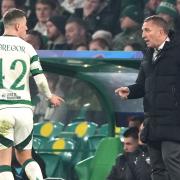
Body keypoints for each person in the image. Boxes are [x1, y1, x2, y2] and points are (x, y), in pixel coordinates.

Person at [0, 8, 64, 180]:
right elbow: (40, 79)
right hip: (24, 111)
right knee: (26, 158)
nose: (27, 29)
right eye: (26, 26)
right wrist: (50, 97)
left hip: (3, 111)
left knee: (3, 162)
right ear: (18, 25)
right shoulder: (28, 48)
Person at [115, 15, 180, 180]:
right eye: (142, 30)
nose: (143, 34)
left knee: (171, 159)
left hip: (174, 120)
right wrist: (129, 91)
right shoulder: (149, 55)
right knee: (157, 167)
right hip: (154, 121)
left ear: (161, 31)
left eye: (147, 30)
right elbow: (142, 85)